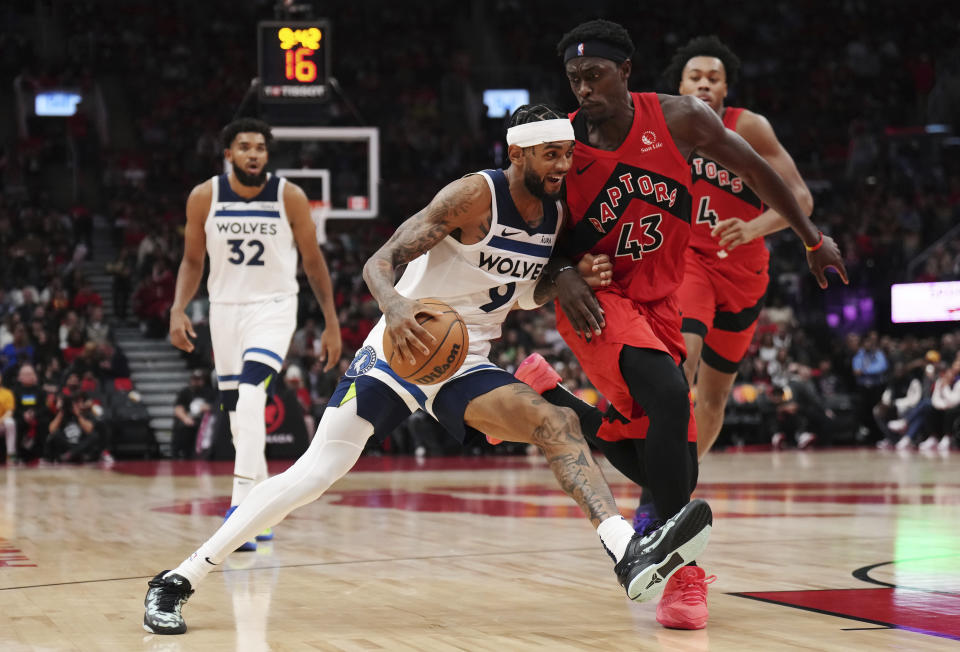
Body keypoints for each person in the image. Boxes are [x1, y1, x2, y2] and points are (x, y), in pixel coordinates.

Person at [142, 105, 714, 635]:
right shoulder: (473, 195)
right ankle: (179, 578)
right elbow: (380, 261)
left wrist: (568, 280)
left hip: (467, 362)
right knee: (314, 474)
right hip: (402, 352)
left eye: (568, 153)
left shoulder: (557, 213)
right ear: (517, 155)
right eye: (551, 155)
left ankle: (624, 551)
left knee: (555, 425)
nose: (564, 165)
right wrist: (393, 308)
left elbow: (520, 294)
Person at [512, 19, 847, 630]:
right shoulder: (562, 147)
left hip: (660, 302)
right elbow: (537, 246)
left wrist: (811, 238)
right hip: (601, 301)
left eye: (594, 76)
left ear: (626, 73)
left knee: (668, 455)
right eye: (574, 79)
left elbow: (757, 171)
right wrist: (562, 274)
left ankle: (554, 397)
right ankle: (683, 579)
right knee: (671, 397)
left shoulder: (680, 119)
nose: (583, 90)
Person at [167, 118, 342, 551]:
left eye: (260, 147)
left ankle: (241, 508)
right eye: (244, 146)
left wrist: (331, 322)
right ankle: (262, 513)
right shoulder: (205, 196)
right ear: (228, 153)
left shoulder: (290, 196)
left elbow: (314, 262)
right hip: (224, 312)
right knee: (236, 416)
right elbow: (192, 262)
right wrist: (177, 309)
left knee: (251, 394)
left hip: (275, 308)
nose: (253, 154)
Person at [660, 36, 815, 461]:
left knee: (714, 396)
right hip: (691, 263)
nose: (705, 84)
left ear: (726, 89)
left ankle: (680, 486)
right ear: (681, 86)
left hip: (745, 272)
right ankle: (661, 485)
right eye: (696, 78)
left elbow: (800, 200)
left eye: (714, 78)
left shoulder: (748, 127)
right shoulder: (661, 129)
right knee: (682, 363)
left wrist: (752, 228)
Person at [171, 368, 216, 459]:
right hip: (188, 421)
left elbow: (217, 406)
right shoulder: (185, 392)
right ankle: (179, 455)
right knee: (183, 429)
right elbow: (178, 408)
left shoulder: (209, 392)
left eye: (199, 379)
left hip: (203, 423)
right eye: (194, 379)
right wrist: (186, 418)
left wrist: (208, 407)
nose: (196, 382)